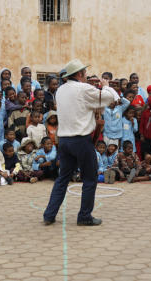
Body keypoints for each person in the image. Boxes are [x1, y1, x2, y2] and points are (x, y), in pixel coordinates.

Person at [43, 59, 119, 226]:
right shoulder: (84, 88)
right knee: (90, 178)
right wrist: (105, 85)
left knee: (63, 178)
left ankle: (49, 214)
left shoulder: (61, 90)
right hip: (81, 140)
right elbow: (110, 98)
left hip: (64, 140)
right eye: (84, 73)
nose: (86, 76)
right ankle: (84, 216)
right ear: (79, 74)